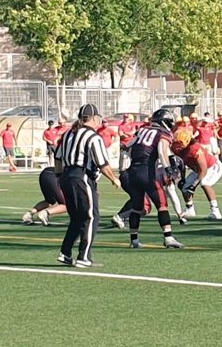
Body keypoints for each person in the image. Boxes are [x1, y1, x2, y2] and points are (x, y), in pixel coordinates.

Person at [55, 104, 121, 268]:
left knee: (77, 218)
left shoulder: (68, 134)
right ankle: (84, 256)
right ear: (94, 118)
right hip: (81, 176)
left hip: (67, 176)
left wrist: (59, 176)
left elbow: (57, 157)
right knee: (91, 216)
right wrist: (114, 178)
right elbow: (102, 163)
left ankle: (65, 253)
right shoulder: (93, 137)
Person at [121, 108, 184, 249]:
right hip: (148, 172)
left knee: (137, 207)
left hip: (132, 172)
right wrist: (168, 168)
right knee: (162, 205)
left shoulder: (143, 130)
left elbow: (126, 146)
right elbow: (162, 151)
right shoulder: (163, 133)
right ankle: (168, 238)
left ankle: (134, 240)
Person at [172, 129, 222, 221]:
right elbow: (182, 164)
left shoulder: (195, 149)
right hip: (197, 169)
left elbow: (203, 169)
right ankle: (190, 209)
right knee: (184, 187)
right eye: (175, 142)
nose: (176, 146)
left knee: (204, 183)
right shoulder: (176, 148)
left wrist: (194, 185)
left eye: (179, 143)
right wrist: (182, 178)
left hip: (212, 167)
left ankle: (215, 211)